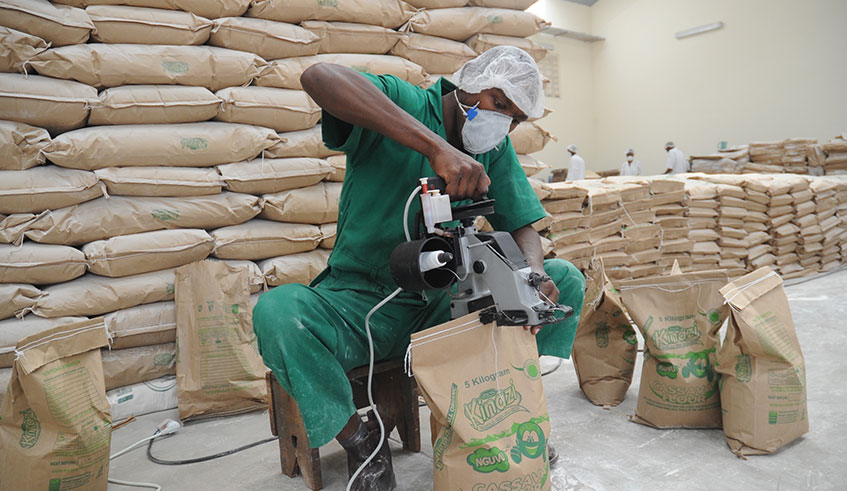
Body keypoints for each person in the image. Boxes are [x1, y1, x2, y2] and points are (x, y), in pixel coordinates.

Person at [252, 46, 585, 490]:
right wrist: (435, 148)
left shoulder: (493, 148)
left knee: (564, 280)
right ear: (469, 84)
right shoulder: (405, 103)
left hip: (444, 306)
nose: (504, 123)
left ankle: (508, 417)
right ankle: (362, 442)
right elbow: (319, 76)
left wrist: (533, 276)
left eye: (516, 119)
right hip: (360, 305)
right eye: (498, 103)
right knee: (277, 312)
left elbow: (522, 225)